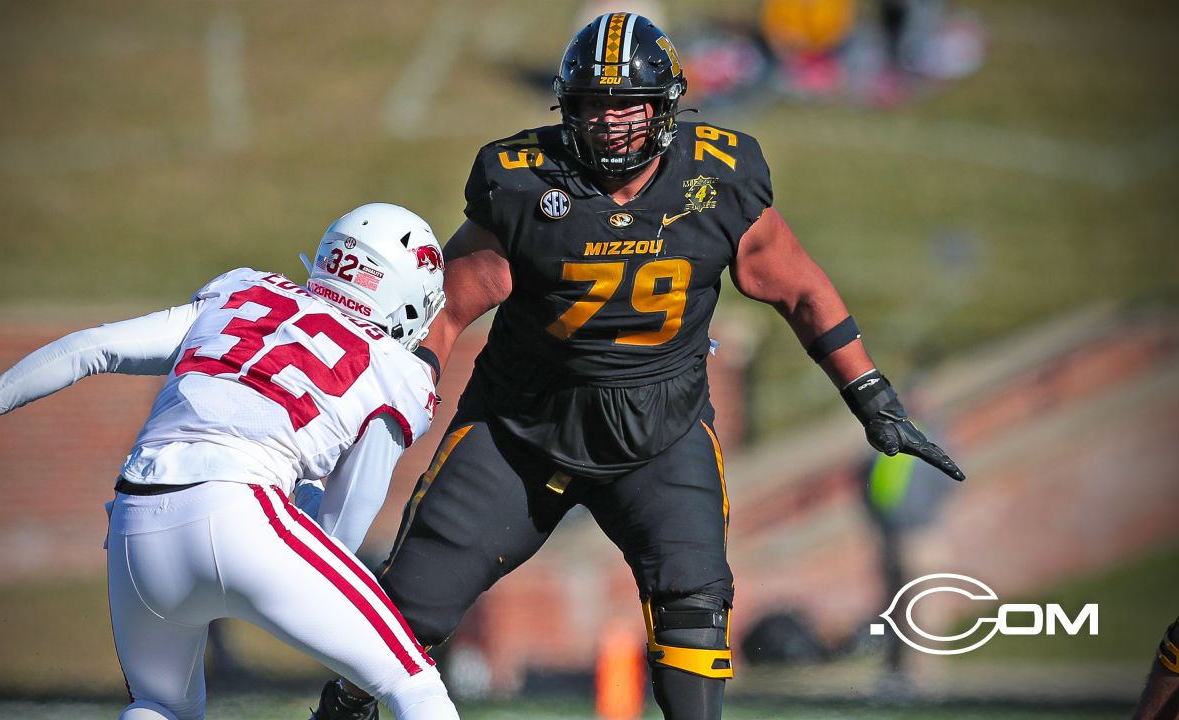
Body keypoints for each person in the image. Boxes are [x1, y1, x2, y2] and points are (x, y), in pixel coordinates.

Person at [311, 13, 964, 720]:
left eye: (629, 104)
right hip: (518, 437)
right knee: (400, 617)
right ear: (570, 108)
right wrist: (393, 400)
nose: (613, 122)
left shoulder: (719, 178)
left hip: (661, 441)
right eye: (595, 104)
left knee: (694, 617)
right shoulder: (525, 184)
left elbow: (800, 288)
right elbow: (446, 313)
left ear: (666, 107)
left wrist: (871, 396)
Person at [0, 204, 461, 720]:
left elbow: (91, 348)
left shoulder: (243, 293)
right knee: (413, 681)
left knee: (160, 706)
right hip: (242, 511)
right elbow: (339, 534)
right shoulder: (396, 370)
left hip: (136, 518)